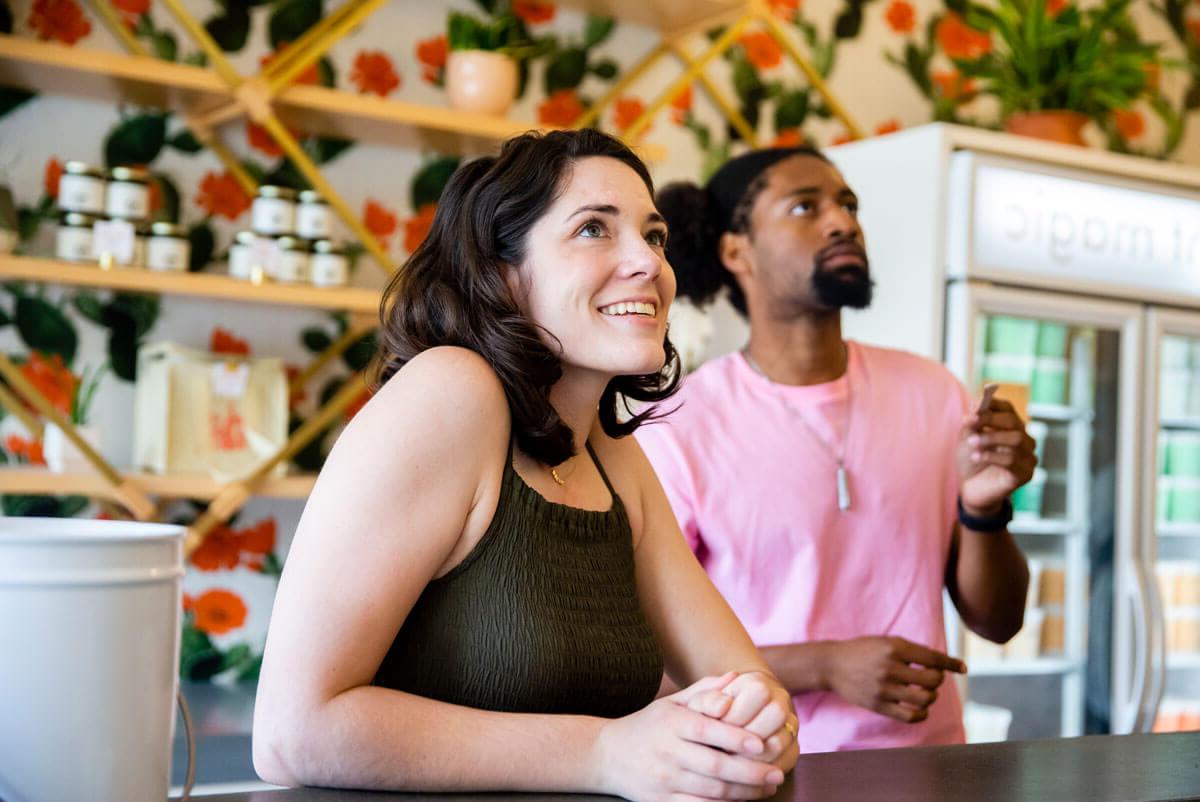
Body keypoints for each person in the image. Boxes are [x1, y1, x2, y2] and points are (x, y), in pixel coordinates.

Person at [252, 129, 798, 800]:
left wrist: (760, 722)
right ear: (503, 274)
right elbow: (293, 731)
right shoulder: (450, 392)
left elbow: (741, 678)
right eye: (595, 230)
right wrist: (603, 752)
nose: (648, 263)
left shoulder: (608, 451)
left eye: (653, 237)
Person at [636, 146, 1035, 753]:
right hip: (764, 773)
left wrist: (984, 510)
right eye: (805, 206)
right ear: (735, 250)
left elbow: (998, 621)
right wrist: (823, 665)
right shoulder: (680, 425)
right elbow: (644, 669)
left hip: (932, 771)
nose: (842, 221)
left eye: (848, 205)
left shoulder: (934, 393)